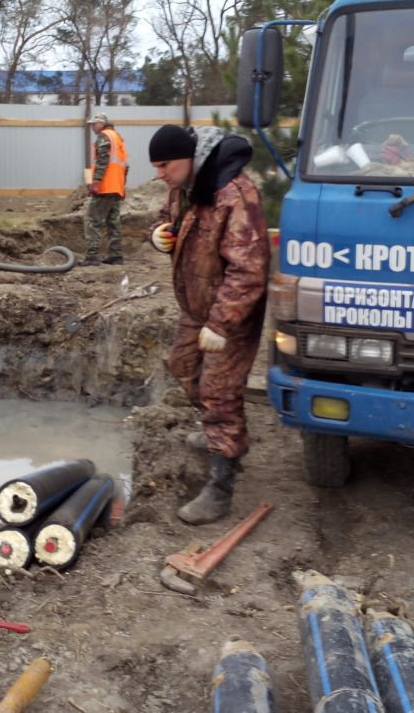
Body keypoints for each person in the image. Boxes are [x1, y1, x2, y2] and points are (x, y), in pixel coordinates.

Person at [148, 124, 270, 525]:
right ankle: (222, 433)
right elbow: (171, 217)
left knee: (219, 393)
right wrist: (160, 233)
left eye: (165, 165)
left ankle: (221, 485)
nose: (160, 174)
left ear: (189, 158)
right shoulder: (185, 186)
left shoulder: (234, 194)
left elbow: (249, 268)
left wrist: (221, 323)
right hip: (196, 306)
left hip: (228, 315)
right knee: (184, 368)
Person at [78, 112, 129, 267]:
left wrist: (96, 182)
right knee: (113, 222)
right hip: (116, 187)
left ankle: (92, 256)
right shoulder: (118, 138)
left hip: (105, 187)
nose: (93, 127)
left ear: (101, 124)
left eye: (94, 124)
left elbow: (103, 160)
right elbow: (125, 166)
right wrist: (122, 186)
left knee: (92, 220)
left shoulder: (104, 136)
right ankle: (116, 255)